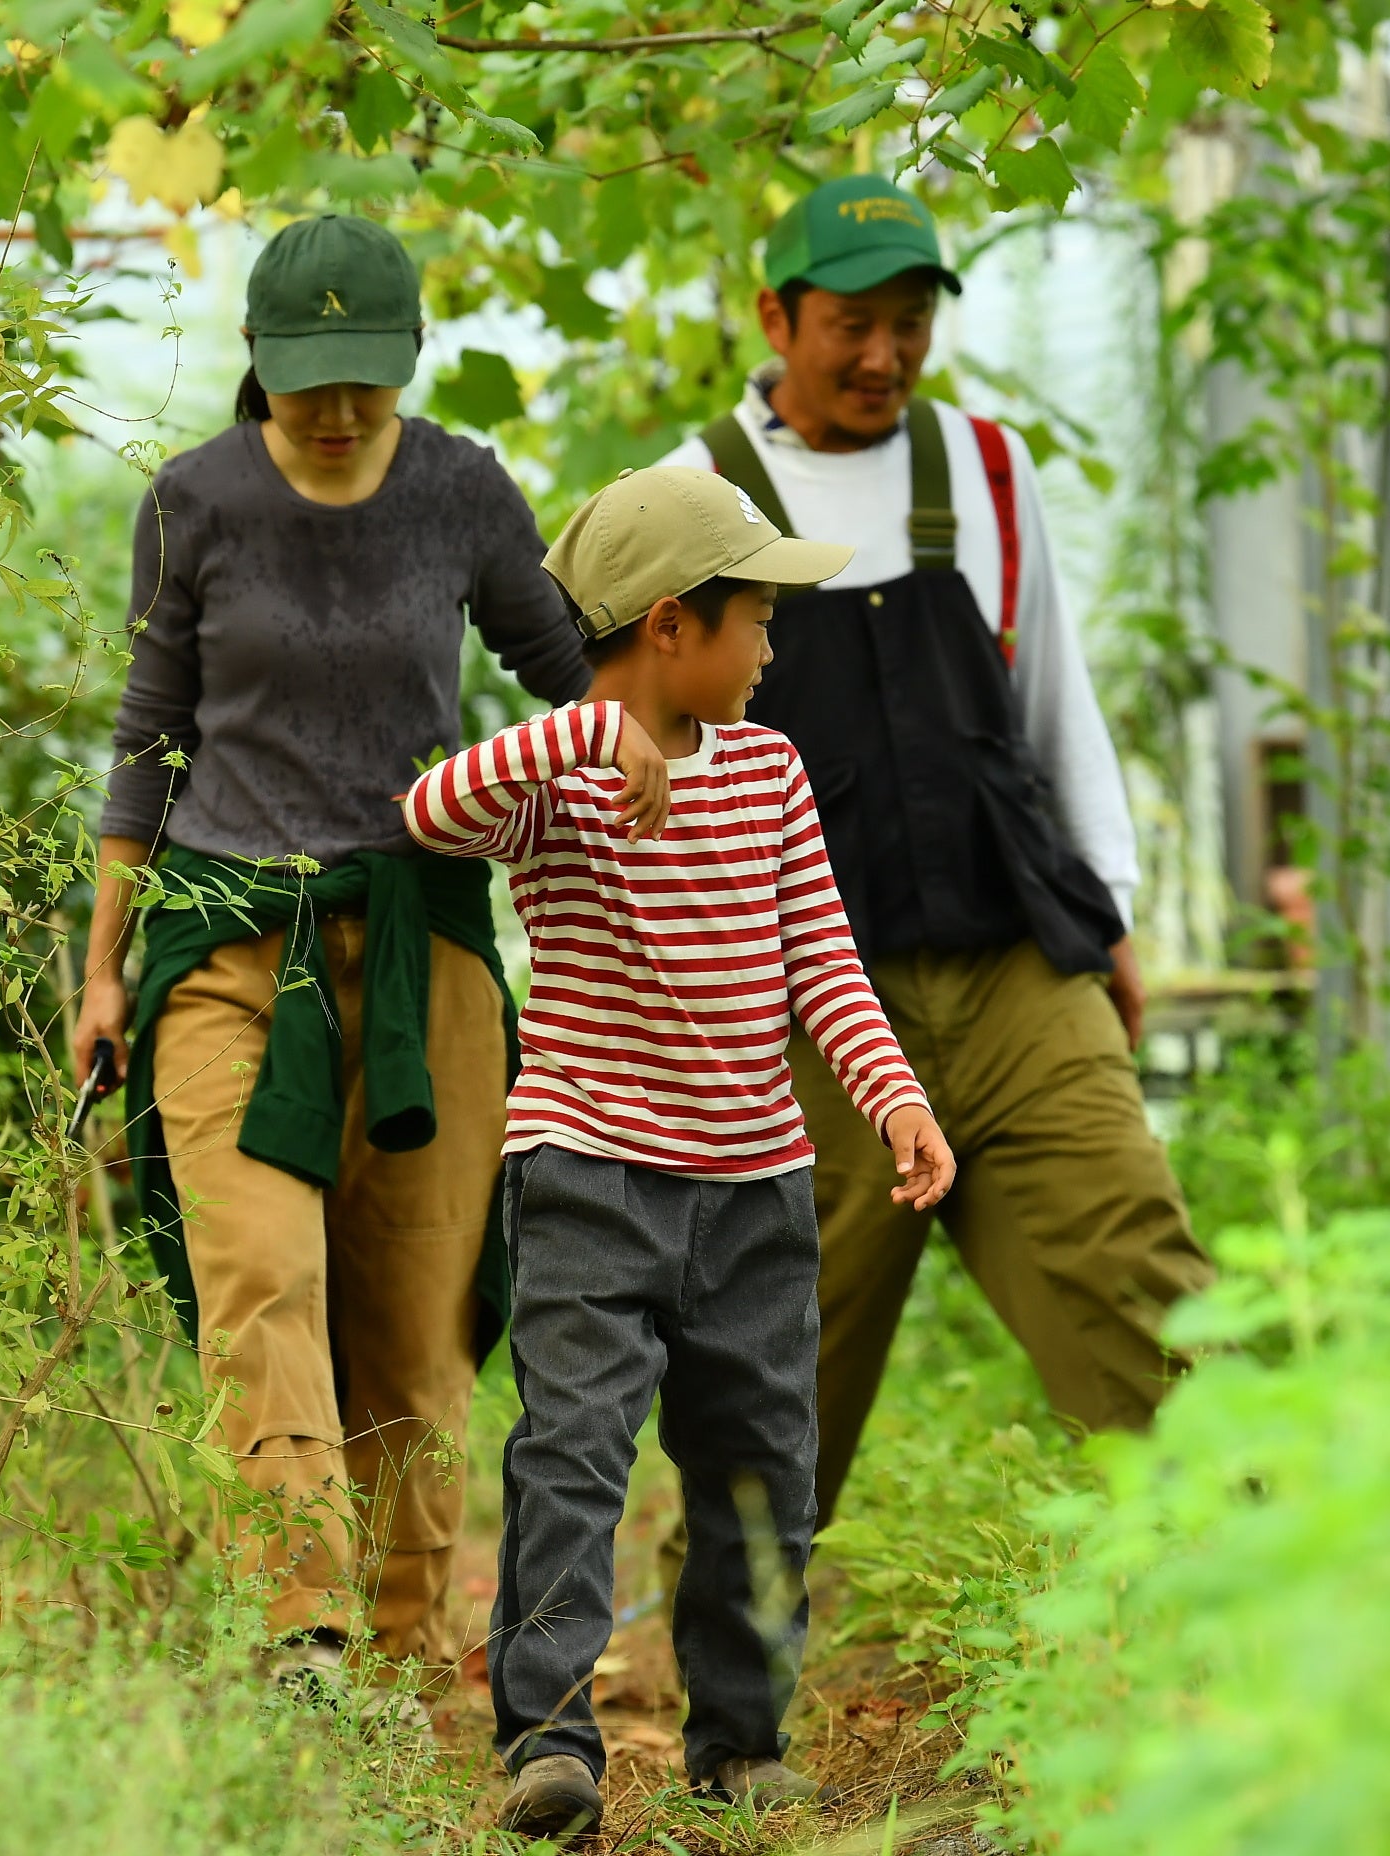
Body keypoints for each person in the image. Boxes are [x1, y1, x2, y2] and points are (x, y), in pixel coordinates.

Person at [70, 214, 590, 1683]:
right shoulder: (197, 503)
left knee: (416, 1318)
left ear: (410, 360)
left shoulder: (463, 495)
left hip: (422, 953)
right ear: (260, 363)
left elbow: (568, 687)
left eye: (369, 375)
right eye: (312, 378)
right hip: (227, 943)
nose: (343, 408)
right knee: (258, 1281)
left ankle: (410, 1657)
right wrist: (103, 972)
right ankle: (304, 1634)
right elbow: (148, 747)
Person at [401, 469, 957, 1839]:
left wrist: (897, 1099)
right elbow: (428, 813)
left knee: (765, 1464)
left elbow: (821, 965)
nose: (772, 650)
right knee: (574, 1455)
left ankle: (744, 1739)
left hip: (756, 1189)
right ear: (670, 627)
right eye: (757, 619)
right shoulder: (557, 779)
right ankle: (548, 1739)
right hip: (588, 1177)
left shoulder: (767, 774)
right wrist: (579, 741)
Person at [659, 175, 1214, 1523]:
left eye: (910, 322)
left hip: (1016, 967)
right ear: (774, 317)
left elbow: (1050, 704)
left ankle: (1262, 1631)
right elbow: (646, 771)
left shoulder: (984, 468)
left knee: (1147, 1285)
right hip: (804, 1016)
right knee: (778, 1352)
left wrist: (1109, 919)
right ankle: (724, 1706)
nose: (882, 355)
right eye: (851, 323)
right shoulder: (690, 499)